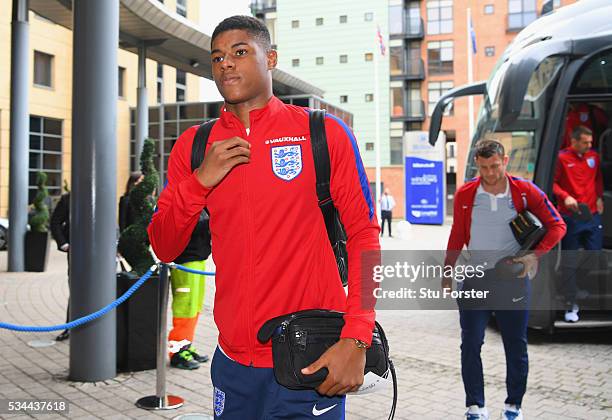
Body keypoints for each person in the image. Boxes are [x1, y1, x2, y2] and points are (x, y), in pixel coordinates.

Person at [148, 15, 380, 419]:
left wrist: (357, 338)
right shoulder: (194, 145)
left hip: (310, 358)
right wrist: (200, 182)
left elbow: (364, 234)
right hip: (234, 363)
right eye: (217, 57)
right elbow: (164, 246)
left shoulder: (323, 133)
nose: (226, 64)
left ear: (270, 58)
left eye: (240, 52)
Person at [444, 140, 566, 420]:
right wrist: (447, 271)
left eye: (495, 166)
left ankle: (513, 406)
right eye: (483, 167)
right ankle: (475, 406)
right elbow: (457, 235)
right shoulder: (466, 194)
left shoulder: (524, 191)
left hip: (511, 280)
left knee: (515, 344)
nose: (489, 173)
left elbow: (558, 226)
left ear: (505, 160)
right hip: (474, 279)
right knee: (471, 343)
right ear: (477, 164)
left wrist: (534, 255)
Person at [553, 125, 604, 322]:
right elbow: (552, 183)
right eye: (585, 142)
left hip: (591, 215)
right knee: (570, 262)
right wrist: (565, 197)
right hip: (570, 217)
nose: (589, 145)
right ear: (573, 141)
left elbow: (598, 178)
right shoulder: (561, 158)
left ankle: (579, 287)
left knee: (595, 255)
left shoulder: (594, 157)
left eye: (590, 142)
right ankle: (571, 304)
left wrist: (599, 197)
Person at [167, 209, 211, 370]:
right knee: (185, 309)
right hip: (185, 261)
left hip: (198, 259)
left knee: (194, 307)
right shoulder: (185, 199)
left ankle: (186, 345)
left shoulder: (203, 201)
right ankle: (177, 353)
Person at [50, 192, 70, 341]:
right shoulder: (67, 198)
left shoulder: (103, 193)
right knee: (76, 290)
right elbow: (55, 222)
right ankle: (70, 327)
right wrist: (63, 243)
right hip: (77, 253)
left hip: (101, 254)